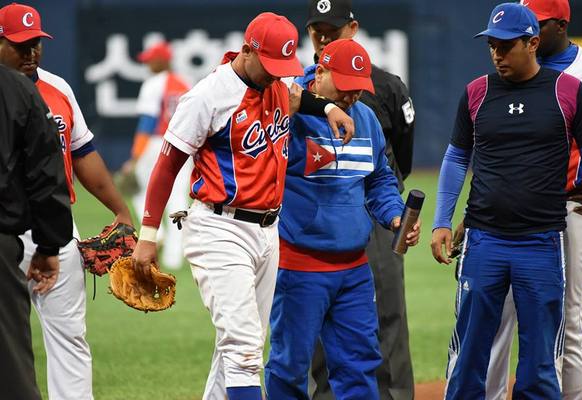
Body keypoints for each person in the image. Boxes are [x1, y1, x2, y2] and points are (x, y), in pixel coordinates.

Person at [131, 12, 355, 400]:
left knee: (237, 344)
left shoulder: (277, 82)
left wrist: (330, 109)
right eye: (269, 64)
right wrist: (148, 236)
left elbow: (298, 96)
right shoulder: (208, 96)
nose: (275, 74)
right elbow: (166, 166)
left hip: (268, 231)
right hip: (219, 228)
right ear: (247, 50)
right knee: (245, 347)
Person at [430, 3, 582, 399]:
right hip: (484, 240)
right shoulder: (477, 91)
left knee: (541, 359)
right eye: (492, 45)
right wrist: (442, 220)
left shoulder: (568, 91)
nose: (496, 53)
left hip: (542, 241)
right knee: (471, 349)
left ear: (533, 42)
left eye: (506, 46)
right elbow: (456, 157)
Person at [264, 38, 420, 400]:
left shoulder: (365, 118)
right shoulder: (285, 111)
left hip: (353, 269)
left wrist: (395, 216)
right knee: (290, 366)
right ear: (319, 73)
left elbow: (379, 178)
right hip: (299, 267)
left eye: (358, 88)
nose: (352, 97)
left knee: (360, 364)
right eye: (346, 88)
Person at [0, 3, 133, 399]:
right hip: (5, 234)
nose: (31, 53)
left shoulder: (59, 89)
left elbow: (83, 154)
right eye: (20, 45)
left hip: (54, 229)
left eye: (36, 44)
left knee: (70, 336)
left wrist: (120, 208)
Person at [484, 1, 582, 399]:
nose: (530, 26)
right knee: (500, 316)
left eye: (539, 20)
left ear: (560, 25)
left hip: (575, 206)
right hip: (516, 212)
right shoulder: (511, 72)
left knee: (568, 319)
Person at [303, 1, 417, 398]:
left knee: (385, 317)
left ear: (352, 28)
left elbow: (394, 164)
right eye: (317, 29)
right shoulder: (292, 91)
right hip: (309, 233)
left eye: (331, 28)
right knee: (310, 335)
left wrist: (390, 212)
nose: (323, 35)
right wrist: (325, 104)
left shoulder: (383, 87)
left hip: (373, 219)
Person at [0, 63, 73, 400]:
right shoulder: (19, 89)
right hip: (3, 244)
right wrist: (50, 244)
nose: (31, 52)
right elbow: (45, 171)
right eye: (18, 44)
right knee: (10, 364)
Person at [120, 41, 191, 270]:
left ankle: (154, 234)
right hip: (183, 143)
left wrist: (134, 157)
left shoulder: (153, 84)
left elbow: (147, 122)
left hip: (156, 142)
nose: (148, 64)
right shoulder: (185, 83)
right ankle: (175, 254)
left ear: (163, 60)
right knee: (179, 198)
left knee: (142, 190)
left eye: (151, 59)